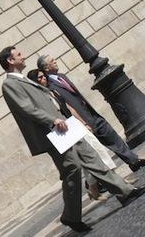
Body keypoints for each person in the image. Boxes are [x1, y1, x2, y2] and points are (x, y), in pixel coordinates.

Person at [0, 46, 145, 232]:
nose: (24, 56)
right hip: (53, 132)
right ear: (10, 60)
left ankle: (125, 193)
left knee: (92, 158)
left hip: (64, 126)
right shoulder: (10, 85)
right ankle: (70, 217)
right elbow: (27, 108)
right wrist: (52, 119)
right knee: (71, 171)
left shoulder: (23, 80)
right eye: (19, 55)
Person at [35, 55, 145, 173]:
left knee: (111, 135)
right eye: (52, 61)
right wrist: (83, 123)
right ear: (46, 68)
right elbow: (67, 107)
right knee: (96, 152)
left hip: (90, 113)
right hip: (81, 120)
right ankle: (97, 183)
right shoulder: (50, 86)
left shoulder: (62, 76)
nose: (55, 61)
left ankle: (133, 161)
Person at [27, 69, 116, 201]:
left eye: (43, 77)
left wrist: (83, 123)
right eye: (38, 79)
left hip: (74, 125)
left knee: (97, 149)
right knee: (87, 159)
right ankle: (99, 188)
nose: (43, 79)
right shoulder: (39, 98)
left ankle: (105, 184)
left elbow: (69, 109)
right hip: (63, 131)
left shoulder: (53, 91)